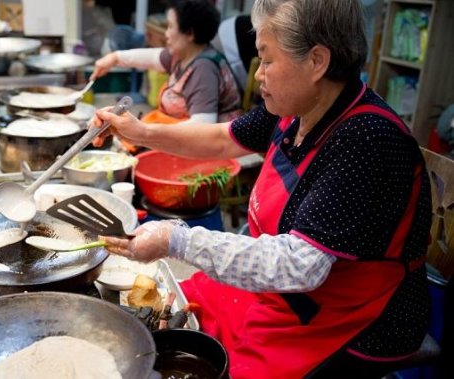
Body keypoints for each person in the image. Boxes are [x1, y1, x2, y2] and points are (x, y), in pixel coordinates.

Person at [92, 0, 432, 377]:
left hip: (360, 318)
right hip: (293, 295)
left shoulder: (367, 139)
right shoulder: (295, 109)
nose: (259, 75)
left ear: (317, 61)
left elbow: (299, 266)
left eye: (267, 60)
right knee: (192, 306)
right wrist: (141, 133)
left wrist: (178, 240)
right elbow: (224, 139)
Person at [90, 0, 242, 126]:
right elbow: (151, 57)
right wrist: (113, 58)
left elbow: (202, 126)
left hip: (209, 147)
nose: (166, 34)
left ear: (189, 33)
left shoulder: (204, 69)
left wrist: (146, 132)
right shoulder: (183, 55)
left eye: (170, 26)